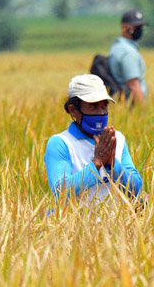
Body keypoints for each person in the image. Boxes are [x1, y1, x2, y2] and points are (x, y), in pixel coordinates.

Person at [44, 74, 143, 204]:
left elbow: (136, 189)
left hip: (117, 223)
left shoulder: (117, 139)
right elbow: (61, 192)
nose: (101, 113)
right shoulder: (61, 143)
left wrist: (113, 165)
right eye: (93, 106)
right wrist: (97, 162)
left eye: (104, 106)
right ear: (73, 110)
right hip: (75, 224)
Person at [108, 9, 148, 107]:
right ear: (124, 27)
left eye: (141, 26)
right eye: (136, 27)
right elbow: (134, 86)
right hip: (130, 108)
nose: (140, 29)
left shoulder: (117, 47)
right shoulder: (128, 52)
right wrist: (142, 114)